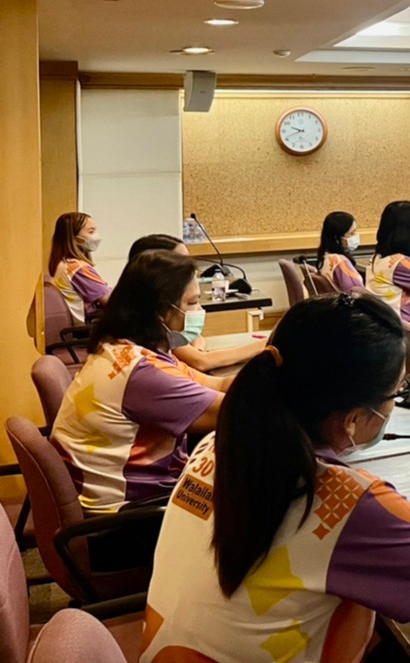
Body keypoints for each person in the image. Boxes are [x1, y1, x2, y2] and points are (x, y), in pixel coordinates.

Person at [137, 294, 410, 663]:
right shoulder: (345, 499)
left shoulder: (217, 449)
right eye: (394, 394)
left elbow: (300, 547)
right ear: (353, 419)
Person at [49, 250, 229, 517]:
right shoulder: (143, 374)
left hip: (126, 501)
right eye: (191, 303)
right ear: (160, 312)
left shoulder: (122, 349)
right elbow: (235, 411)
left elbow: (218, 385)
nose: (199, 312)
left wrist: (269, 367)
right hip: (129, 518)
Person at [124, 235, 261, 373]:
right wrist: (263, 346)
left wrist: (196, 349)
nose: (188, 270)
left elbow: (197, 339)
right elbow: (201, 361)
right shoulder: (150, 325)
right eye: (181, 263)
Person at [48, 210, 110, 323]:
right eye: (91, 232)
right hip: (89, 326)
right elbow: (109, 299)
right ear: (75, 238)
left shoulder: (65, 264)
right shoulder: (77, 268)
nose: (97, 236)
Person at [316, 210, 366, 292]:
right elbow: (358, 292)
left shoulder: (326, 256)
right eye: (352, 233)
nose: (356, 235)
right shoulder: (340, 262)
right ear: (337, 238)